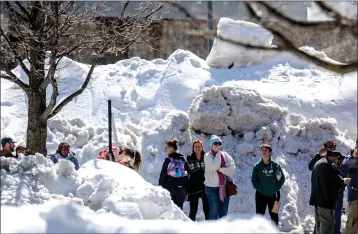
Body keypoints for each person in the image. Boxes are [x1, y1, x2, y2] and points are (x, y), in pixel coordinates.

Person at [309, 150, 351, 234]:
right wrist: (344, 181)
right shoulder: (329, 165)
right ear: (332, 157)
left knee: (319, 228)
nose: (337, 161)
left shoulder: (318, 163)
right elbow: (335, 182)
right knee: (327, 228)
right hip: (325, 203)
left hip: (317, 201)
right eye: (337, 158)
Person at [252, 144, 285, 226]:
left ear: (270, 152)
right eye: (262, 150)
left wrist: (275, 188)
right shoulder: (257, 167)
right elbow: (254, 181)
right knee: (259, 217)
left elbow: (281, 179)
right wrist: (261, 189)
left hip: (273, 196)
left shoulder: (275, 166)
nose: (263, 152)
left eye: (265, 150)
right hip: (260, 195)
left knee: (274, 216)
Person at [204, 135, 236, 220]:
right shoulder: (207, 156)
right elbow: (214, 166)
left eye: (219, 143)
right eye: (215, 143)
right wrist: (218, 154)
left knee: (223, 213)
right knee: (214, 212)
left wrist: (221, 170)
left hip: (224, 187)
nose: (217, 145)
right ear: (211, 144)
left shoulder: (225, 155)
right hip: (212, 188)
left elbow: (232, 169)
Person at [158, 139, 188, 210]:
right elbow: (188, 176)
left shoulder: (168, 160)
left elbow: (163, 176)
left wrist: (160, 189)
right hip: (181, 190)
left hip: (169, 189)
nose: (165, 150)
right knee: (179, 211)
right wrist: (186, 192)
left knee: (170, 212)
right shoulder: (183, 159)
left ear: (171, 148)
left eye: (166, 148)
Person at [186, 139, 209, 221]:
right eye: (196, 146)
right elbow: (186, 173)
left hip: (205, 186)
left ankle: (210, 227)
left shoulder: (207, 157)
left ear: (202, 147)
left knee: (207, 209)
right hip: (193, 188)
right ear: (193, 148)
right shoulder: (189, 158)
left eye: (199, 146)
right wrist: (186, 189)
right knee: (193, 210)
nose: (198, 148)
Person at [341, 140, 358, 234]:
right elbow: (342, 170)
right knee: (352, 224)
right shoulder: (350, 158)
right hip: (355, 196)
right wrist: (353, 157)